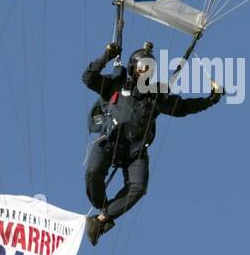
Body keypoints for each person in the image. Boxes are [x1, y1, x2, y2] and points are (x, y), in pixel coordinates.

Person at [82, 42, 222, 244]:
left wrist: (211, 99)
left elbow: (182, 107)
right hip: (111, 142)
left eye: (150, 69)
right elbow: (88, 78)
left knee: (138, 187)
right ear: (133, 68)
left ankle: (101, 219)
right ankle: (100, 205)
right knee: (94, 171)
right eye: (142, 67)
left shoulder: (155, 96)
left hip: (135, 152)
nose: (146, 72)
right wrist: (106, 56)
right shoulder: (116, 84)